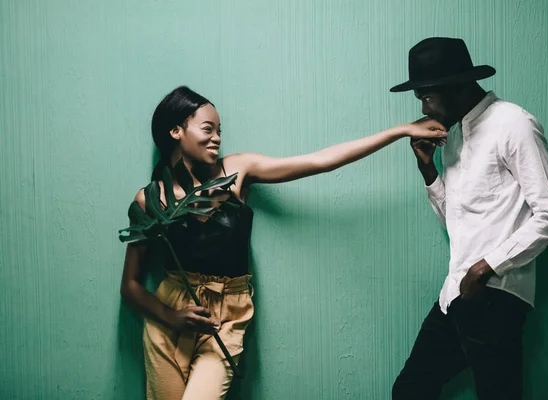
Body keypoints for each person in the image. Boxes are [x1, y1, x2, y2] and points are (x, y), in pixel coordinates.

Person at [120, 85, 446, 400]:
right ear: (176, 131)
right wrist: (172, 317)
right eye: (208, 129)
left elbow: (320, 161)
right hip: (169, 316)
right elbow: (131, 285)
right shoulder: (151, 200)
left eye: (220, 130)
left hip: (226, 317)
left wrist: (400, 131)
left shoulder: (235, 170)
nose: (217, 138)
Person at [390, 37, 548, 400]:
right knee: (410, 390)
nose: (423, 107)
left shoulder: (513, 123)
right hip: (456, 293)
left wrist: (484, 268)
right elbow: (457, 223)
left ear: (457, 85)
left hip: (494, 295)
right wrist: (428, 170)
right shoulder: (452, 136)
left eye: (426, 96)